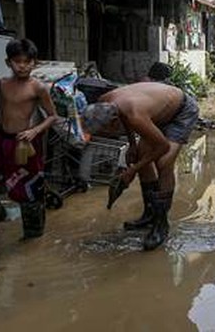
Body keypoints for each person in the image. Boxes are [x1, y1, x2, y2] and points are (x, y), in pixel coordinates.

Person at [81, 82, 199, 251]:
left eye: (105, 130)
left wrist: (132, 171)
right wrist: (132, 145)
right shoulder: (105, 102)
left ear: (112, 122)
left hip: (181, 112)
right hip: (156, 114)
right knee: (140, 155)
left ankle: (161, 224)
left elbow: (163, 147)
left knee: (164, 162)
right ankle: (149, 214)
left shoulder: (135, 114)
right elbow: (124, 118)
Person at [0, 39, 57, 242]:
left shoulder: (38, 88)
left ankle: (33, 235)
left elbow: (52, 116)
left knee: (28, 188)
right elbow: (0, 113)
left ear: (35, 63)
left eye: (27, 61)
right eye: (17, 61)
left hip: (23, 144)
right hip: (0, 139)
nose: (22, 65)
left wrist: (34, 131)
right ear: (8, 63)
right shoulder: (3, 84)